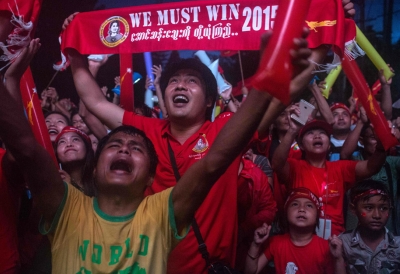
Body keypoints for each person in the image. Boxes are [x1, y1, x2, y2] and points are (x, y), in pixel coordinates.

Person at [0, 28, 311, 273]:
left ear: (208, 101)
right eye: (173, 81)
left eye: (192, 81)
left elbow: (215, 161)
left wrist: (281, 72)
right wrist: (76, 52)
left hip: (211, 265)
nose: (179, 85)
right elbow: (92, 104)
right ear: (95, 166)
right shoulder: (146, 131)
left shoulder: (168, 206)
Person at [272, 118, 386, 237]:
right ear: (301, 145)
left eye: (322, 133)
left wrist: (381, 147)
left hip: (334, 240)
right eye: (310, 133)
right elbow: (276, 164)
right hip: (300, 239)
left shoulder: (340, 168)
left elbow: (370, 167)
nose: (317, 136)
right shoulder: (294, 166)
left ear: (328, 145)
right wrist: (292, 131)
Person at [244, 187, 345, 274]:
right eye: (295, 204)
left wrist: (338, 259)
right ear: (286, 214)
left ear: (316, 218)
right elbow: (251, 272)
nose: (302, 209)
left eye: (309, 205)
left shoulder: (325, 247)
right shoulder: (276, 242)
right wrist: (255, 245)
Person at [340, 180, 400, 273]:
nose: (377, 215)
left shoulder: (398, 245)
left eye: (383, 208)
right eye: (369, 207)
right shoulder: (343, 243)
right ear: (353, 209)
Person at [55, 126, 96, 196]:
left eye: (75, 139)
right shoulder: (54, 183)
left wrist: (71, 186)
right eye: (62, 142)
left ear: (87, 148)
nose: (69, 144)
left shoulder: (100, 179)